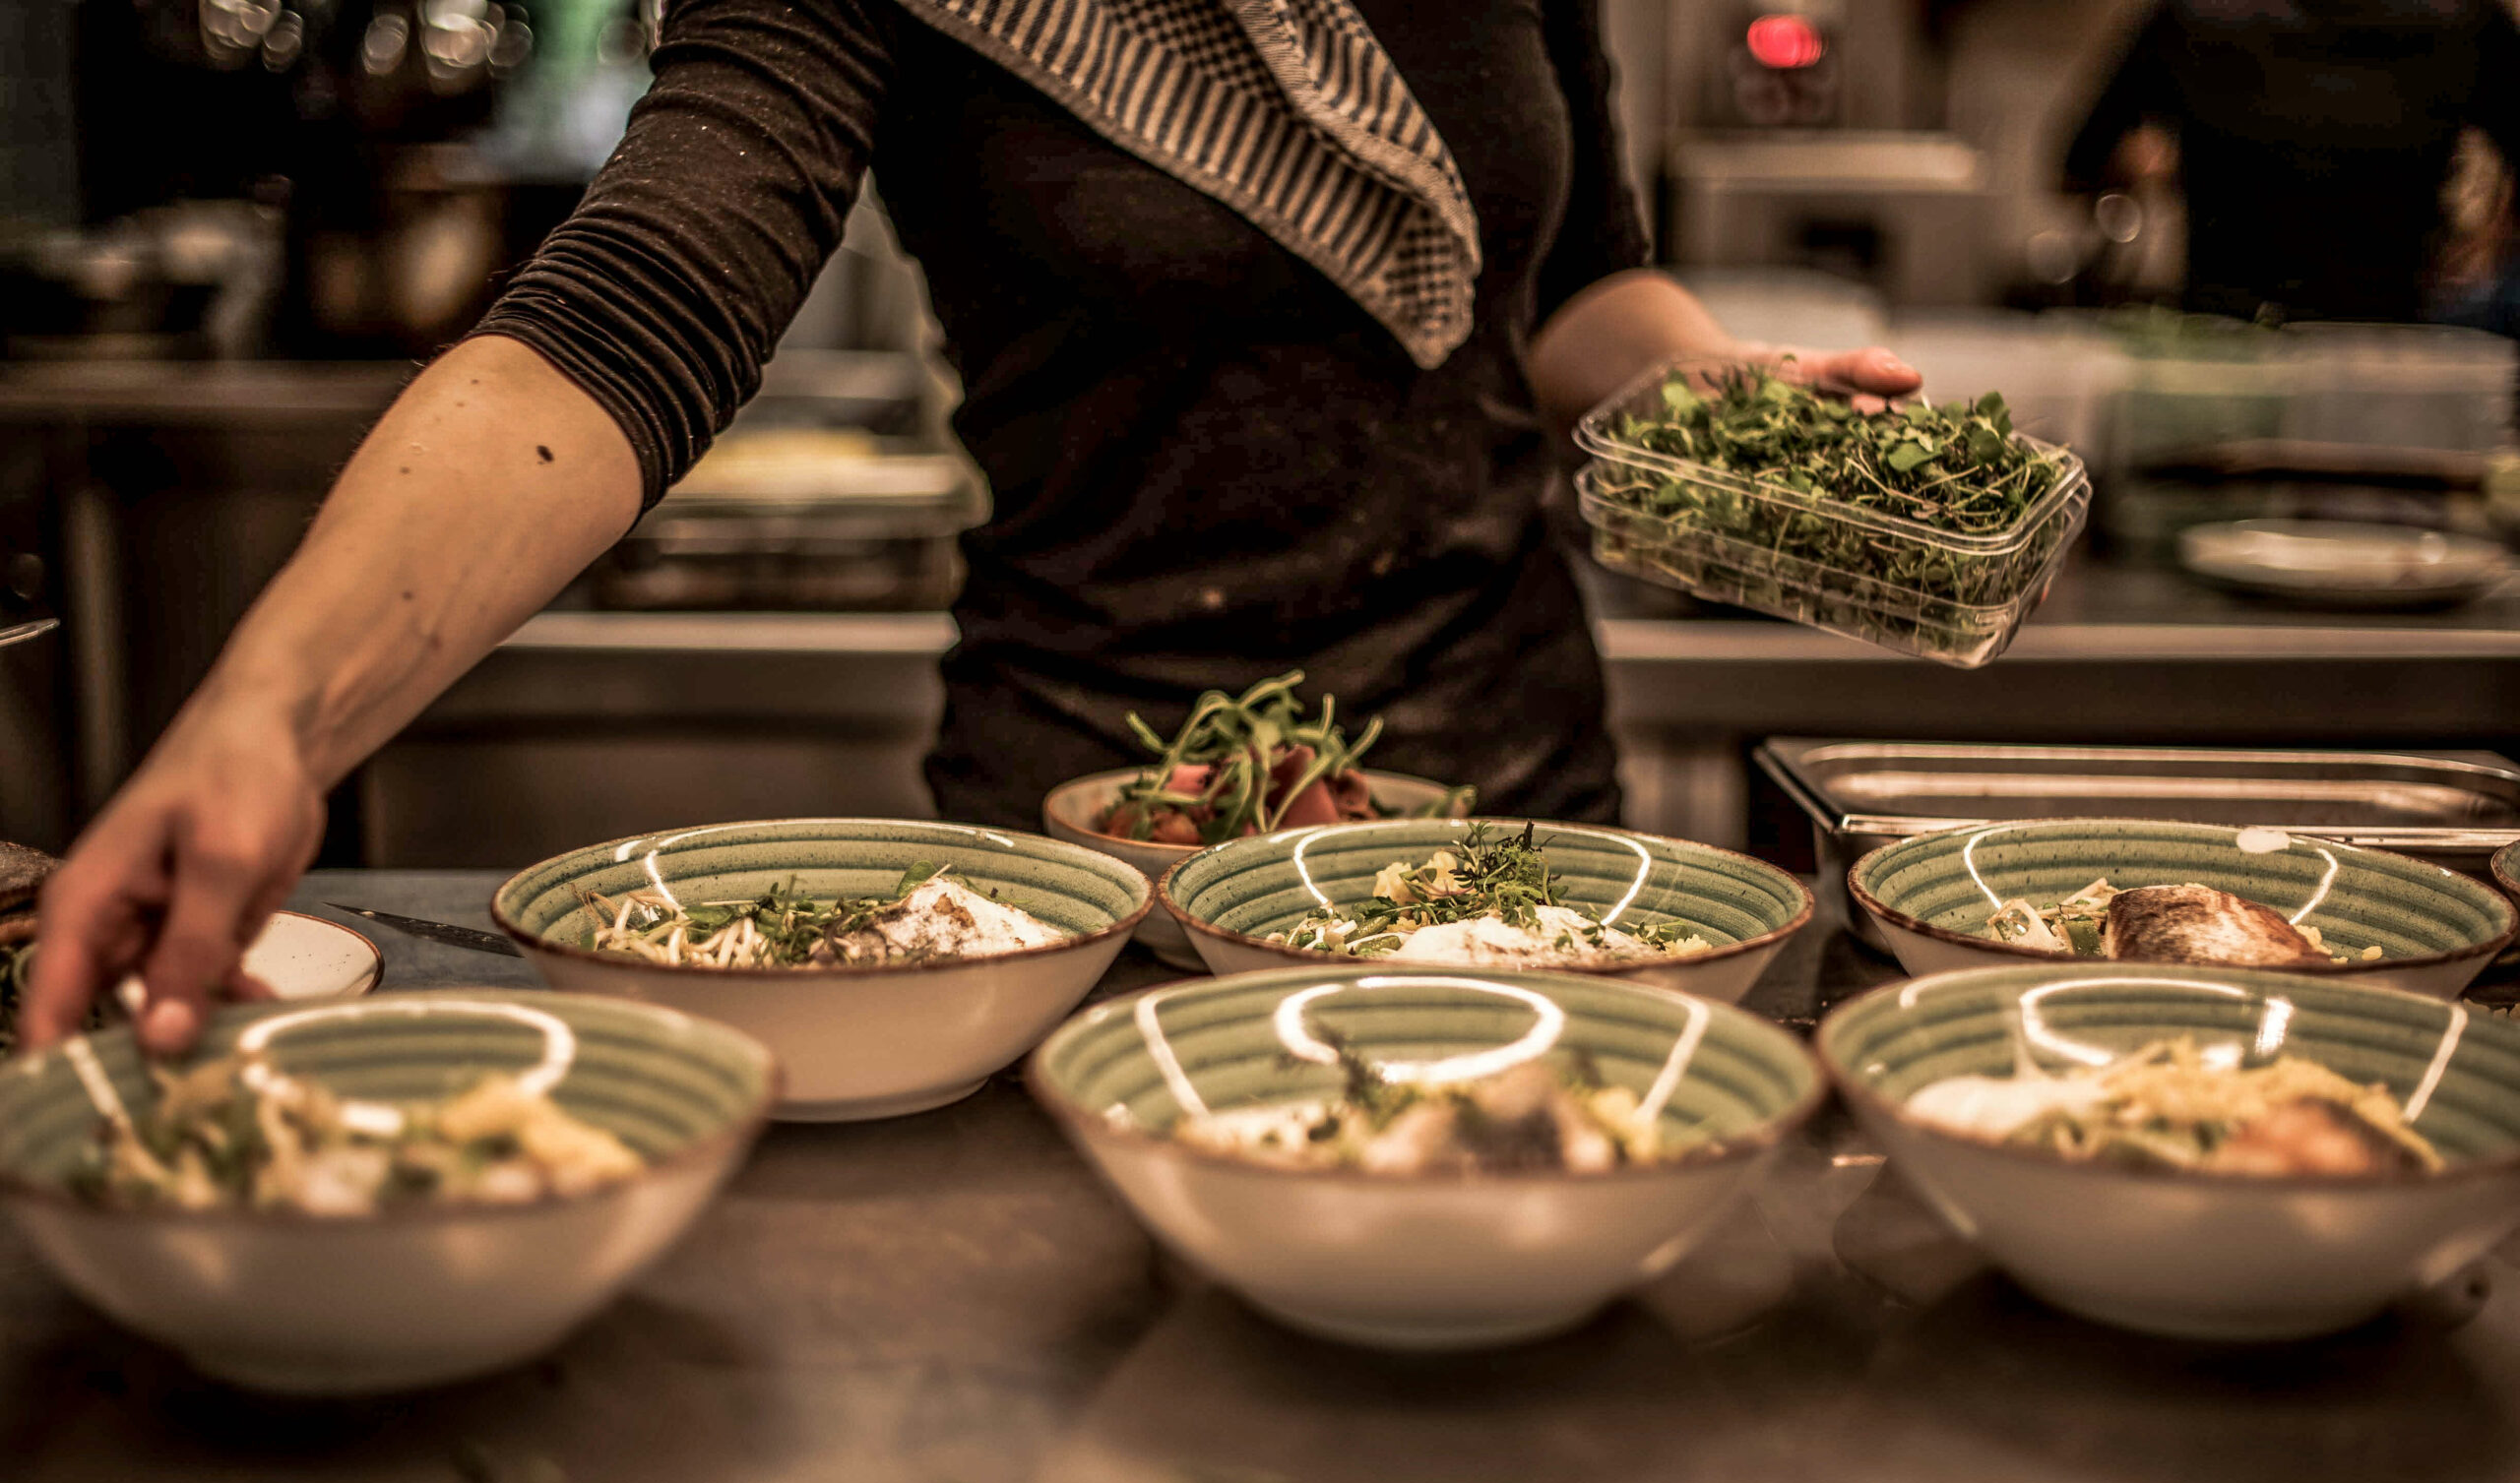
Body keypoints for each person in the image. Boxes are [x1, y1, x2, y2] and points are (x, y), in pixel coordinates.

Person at [20, 0, 1919, 1055]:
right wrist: (274, 708)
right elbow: (641, 308)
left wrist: (1727, 406)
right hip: (1083, 878)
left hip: (1517, 839)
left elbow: (1576, 282)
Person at [2063, 0, 2520, 323]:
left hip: (2223, 342)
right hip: (2389, 338)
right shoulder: (2462, 21)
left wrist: (2154, 166)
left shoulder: (2195, 15)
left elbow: (2079, 164)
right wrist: (2490, 240)